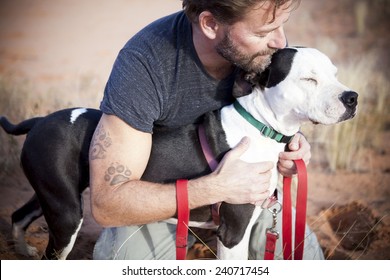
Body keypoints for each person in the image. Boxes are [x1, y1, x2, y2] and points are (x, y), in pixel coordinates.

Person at [90, 0, 323, 260]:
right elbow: (106, 204)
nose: (280, 42)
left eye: (281, 26)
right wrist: (214, 188)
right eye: (261, 32)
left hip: (249, 199)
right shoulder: (145, 64)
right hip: (163, 208)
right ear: (210, 24)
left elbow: (279, 108)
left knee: (307, 261)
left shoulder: (263, 50)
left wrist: (290, 143)